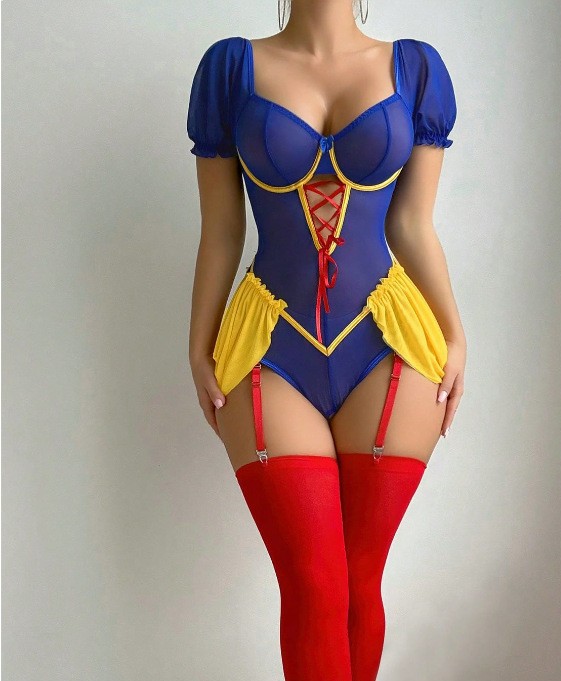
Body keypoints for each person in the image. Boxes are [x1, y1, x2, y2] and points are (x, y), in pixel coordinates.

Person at [187, 1, 467, 678]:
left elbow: (411, 225)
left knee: (359, 580)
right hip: (267, 342)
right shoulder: (230, 68)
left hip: (391, 342)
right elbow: (222, 229)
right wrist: (197, 343)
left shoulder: (415, 70)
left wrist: (455, 336)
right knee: (314, 584)